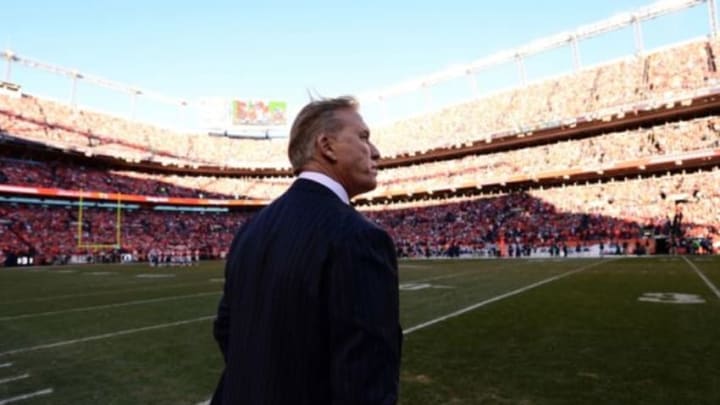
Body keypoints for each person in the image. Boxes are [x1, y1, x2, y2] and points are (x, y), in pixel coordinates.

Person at [211, 96, 402, 404]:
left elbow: (226, 329)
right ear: (326, 146)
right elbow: (365, 376)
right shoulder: (358, 235)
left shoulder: (251, 229)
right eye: (364, 137)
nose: (376, 151)